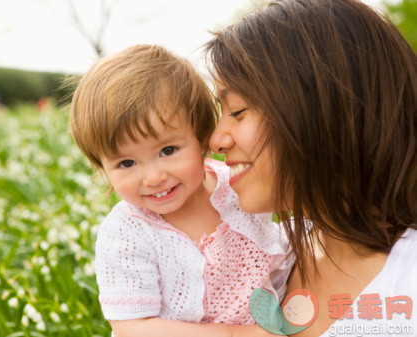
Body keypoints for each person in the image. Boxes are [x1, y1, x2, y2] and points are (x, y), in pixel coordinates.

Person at [206, 0, 417, 335]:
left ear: (322, 109)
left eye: (239, 110)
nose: (216, 140)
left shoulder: (408, 282)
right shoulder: (273, 256)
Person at [69, 44, 292, 336]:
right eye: (126, 163)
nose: (153, 177)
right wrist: (234, 335)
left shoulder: (235, 186)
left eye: (168, 150)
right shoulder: (127, 233)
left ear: (202, 139)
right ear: (102, 168)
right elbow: (132, 327)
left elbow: (278, 242)